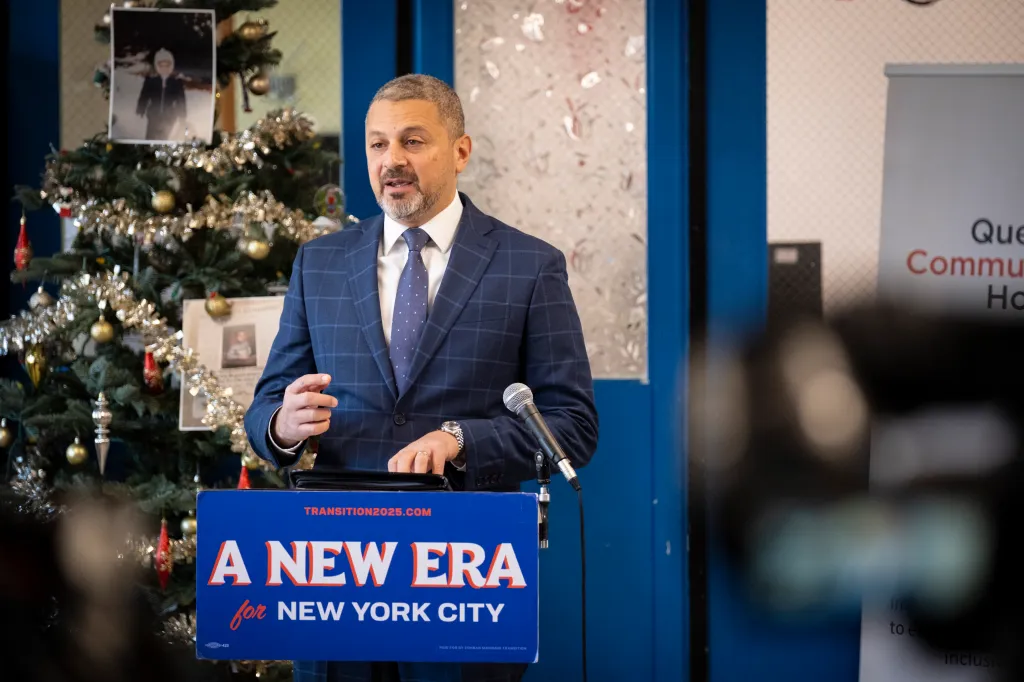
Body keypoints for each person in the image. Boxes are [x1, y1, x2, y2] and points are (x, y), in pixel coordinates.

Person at [244, 74, 599, 682]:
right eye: (378, 145)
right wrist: (281, 424)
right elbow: (265, 409)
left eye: (413, 141)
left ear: (460, 150)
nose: (392, 161)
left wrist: (462, 439)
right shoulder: (319, 263)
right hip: (335, 571)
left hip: (465, 576)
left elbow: (572, 426)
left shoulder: (530, 265)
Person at [134, 48, 187, 141]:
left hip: (170, 114)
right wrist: (141, 108)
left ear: (171, 66)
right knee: (151, 135)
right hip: (153, 113)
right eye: (161, 66)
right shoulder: (151, 81)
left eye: (167, 66)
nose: (164, 68)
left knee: (165, 136)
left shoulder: (176, 82)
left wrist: (182, 113)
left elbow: (181, 99)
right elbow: (144, 96)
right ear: (157, 66)